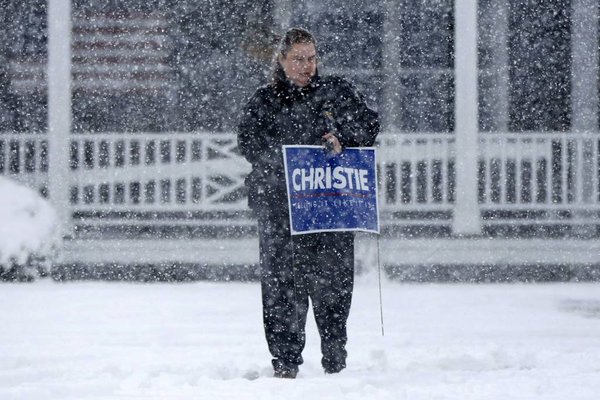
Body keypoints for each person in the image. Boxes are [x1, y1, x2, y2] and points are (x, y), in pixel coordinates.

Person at [237, 27, 379, 378]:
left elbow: (370, 124)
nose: (306, 66)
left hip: (330, 208)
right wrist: (289, 160)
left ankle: (335, 357)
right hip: (279, 211)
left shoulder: (337, 93)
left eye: (312, 58)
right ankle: (285, 363)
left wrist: (342, 138)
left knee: (334, 285)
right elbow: (250, 143)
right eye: (298, 59)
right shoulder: (265, 100)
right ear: (282, 61)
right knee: (282, 288)